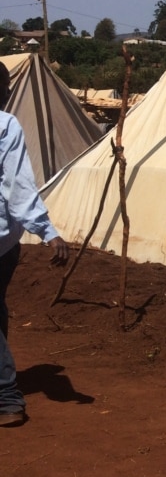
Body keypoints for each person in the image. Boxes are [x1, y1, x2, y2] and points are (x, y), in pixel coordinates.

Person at [0, 61, 69, 428]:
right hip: (4, 242)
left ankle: (8, 396)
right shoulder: (5, 124)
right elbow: (17, 186)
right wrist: (46, 230)